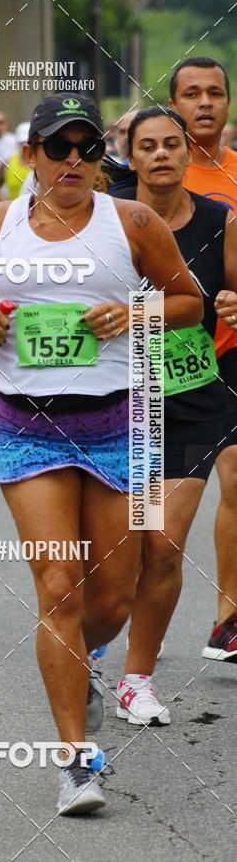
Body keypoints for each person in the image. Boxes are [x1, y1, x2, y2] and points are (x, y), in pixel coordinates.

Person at [0, 93, 202, 815]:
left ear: (101, 159)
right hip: (28, 425)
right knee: (59, 586)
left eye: (86, 148)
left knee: (112, 599)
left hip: (120, 422)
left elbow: (187, 300)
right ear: (30, 155)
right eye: (57, 147)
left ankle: (80, 662)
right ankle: (75, 760)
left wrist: (134, 311)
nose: (71, 160)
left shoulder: (134, 223)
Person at [109, 107, 237, 724]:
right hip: (116, 403)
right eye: (148, 146)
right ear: (130, 157)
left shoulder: (219, 219)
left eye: (171, 144)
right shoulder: (104, 217)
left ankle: (136, 680)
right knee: (118, 552)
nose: (160, 154)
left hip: (190, 401)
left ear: (189, 153)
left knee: (162, 548)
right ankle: (94, 638)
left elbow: (233, 291)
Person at [169, 56, 237, 661]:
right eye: (192, 93)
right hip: (165, 355)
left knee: (236, 476)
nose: (205, 103)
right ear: (174, 105)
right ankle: (129, 603)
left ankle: (227, 620)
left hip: (230, 353)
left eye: (215, 92)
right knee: (157, 503)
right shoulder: (154, 169)